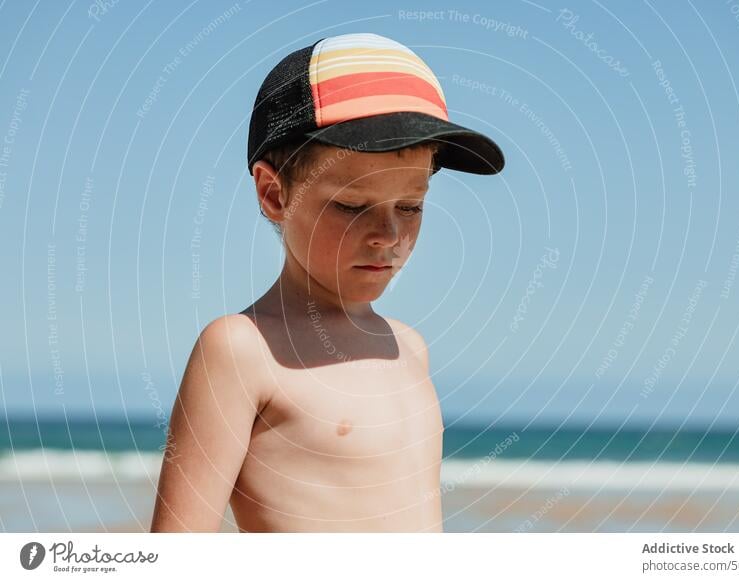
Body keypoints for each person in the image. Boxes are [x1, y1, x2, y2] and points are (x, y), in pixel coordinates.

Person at [150, 32, 504, 532]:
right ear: (274, 194)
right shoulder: (241, 350)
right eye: (352, 206)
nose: (388, 235)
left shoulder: (408, 348)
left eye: (410, 206)